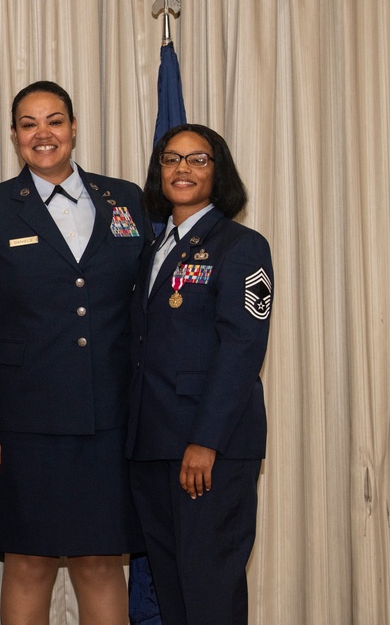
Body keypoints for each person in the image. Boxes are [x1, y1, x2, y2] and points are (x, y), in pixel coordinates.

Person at [0, 81, 149, 624]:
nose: (44, 134)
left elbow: (146, 309)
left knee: (101, 563)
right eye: (29, 124)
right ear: (14, 136)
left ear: (74, 127)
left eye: (54, 120)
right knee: (28, 563)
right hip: (22, 421)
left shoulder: (127, 199)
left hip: (109, 418)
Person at [126, 123, 273, 625]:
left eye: (197, 159)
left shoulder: (242, 246)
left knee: (210, 589)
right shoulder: (153, 248)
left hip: (209, 451)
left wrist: (205, 441)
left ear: (219, 172)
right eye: (171, 159)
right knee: (171, 591)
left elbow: (241, 349)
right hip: (154, 445)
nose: (182, 169)